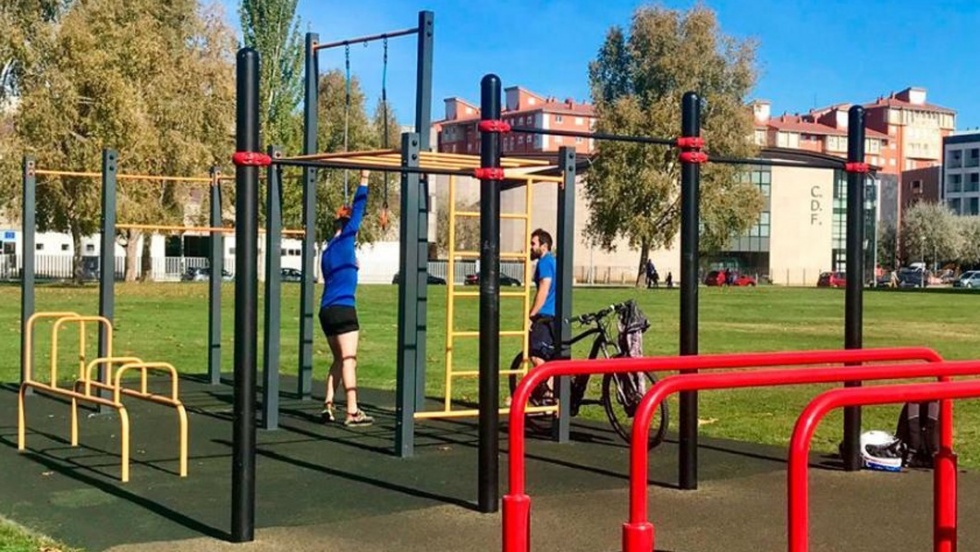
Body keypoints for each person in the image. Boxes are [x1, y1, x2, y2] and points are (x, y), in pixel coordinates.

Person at [319, 170, 374, 427]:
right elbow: (359, 207)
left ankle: (327, 405)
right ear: (347, 225)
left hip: (326, 311)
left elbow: (340, 274)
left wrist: (353, 264)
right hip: (343, 307)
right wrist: (364, 179)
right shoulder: (347, 239)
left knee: (339, 359)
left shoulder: (328, 251)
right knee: (350, 359)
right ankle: (352, 411)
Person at [528, 229, 558, 396]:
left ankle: (544, 392)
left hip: (545, 314)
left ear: (544, 246)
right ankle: (550, 397)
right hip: (555, 315)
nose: (530, 247)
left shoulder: (545, 262)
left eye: (533, 244)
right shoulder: (554, 262)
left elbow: (544, 289)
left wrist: (532, 315)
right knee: (550, 358)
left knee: (536, 355)